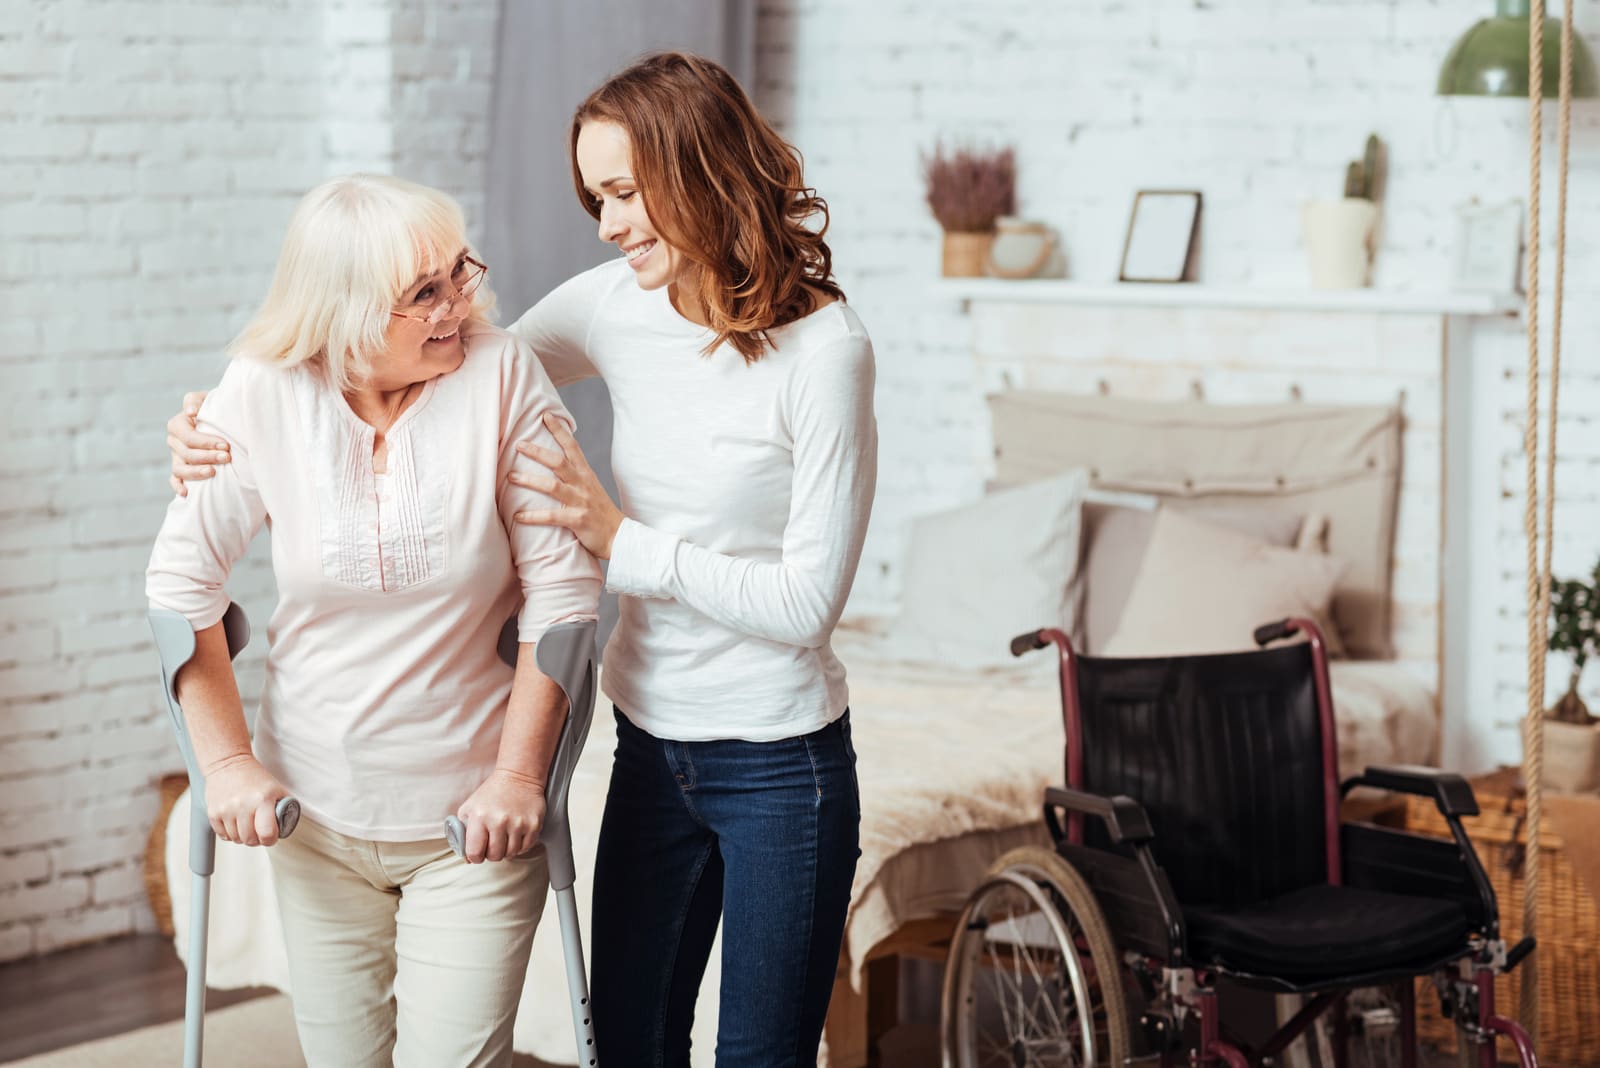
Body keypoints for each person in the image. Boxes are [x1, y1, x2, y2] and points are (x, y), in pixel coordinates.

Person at [166, 51, 876, 1065]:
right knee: (631, 1045)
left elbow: (806, 604)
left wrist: (619, 542)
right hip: (651, 744)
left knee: (760, 1055)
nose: (608, 224)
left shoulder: (827, 352)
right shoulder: (616, 302)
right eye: (597, 196)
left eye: (626, 192)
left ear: (702, 172)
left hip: (780, 761)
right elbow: (450, 363)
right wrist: (226, 420)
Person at [147, 173, 602, 1068]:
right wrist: (228, 764)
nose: (457, 308)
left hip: (471, 821)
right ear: (345, 313)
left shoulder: (501, 373)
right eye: (424, 294)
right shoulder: (263, 392)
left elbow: (563, 597)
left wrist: (519, 778)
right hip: (312, 813)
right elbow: (179, 586)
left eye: (457, 275)